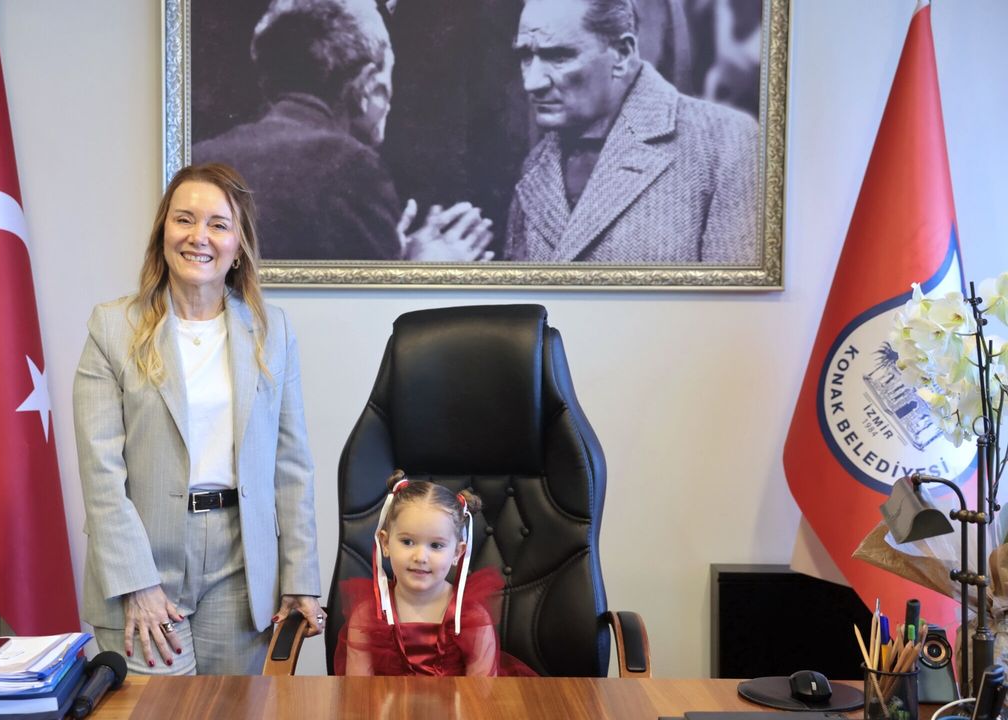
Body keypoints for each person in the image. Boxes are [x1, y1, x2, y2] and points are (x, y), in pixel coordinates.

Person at [73, 163, 323, 675]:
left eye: (218, 224)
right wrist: (138, 584)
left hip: (240, 567)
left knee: (234, 709)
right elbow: (101, 475)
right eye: (184, 219)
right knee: (157, 711)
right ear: (163, 231)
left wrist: (300, 576)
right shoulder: (112, 328)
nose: (198, 236)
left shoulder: (271, 331)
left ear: (238, 245)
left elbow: (291, 464)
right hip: (144, 561)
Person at [193, 0, 493, 262]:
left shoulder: (199, 160)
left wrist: (389, 252)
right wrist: (420, 268)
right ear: (368, 86)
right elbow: (357, 303)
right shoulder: (351, 167)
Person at [505, 0, 759, 265]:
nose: (532, 82)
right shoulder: (537, 165)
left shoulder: (725, 142)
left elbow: (733, 289)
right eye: (526, 56)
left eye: (558, 56)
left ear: (622, 54)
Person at [335, 471, 533, 676]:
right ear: (385, 543)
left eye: (436, 545)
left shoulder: (471, 617)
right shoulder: (368, 616)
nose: (421, 557)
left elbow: (481, 691)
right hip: (382, 699)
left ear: (457, 552)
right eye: (407, 542)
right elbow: (359, 690)